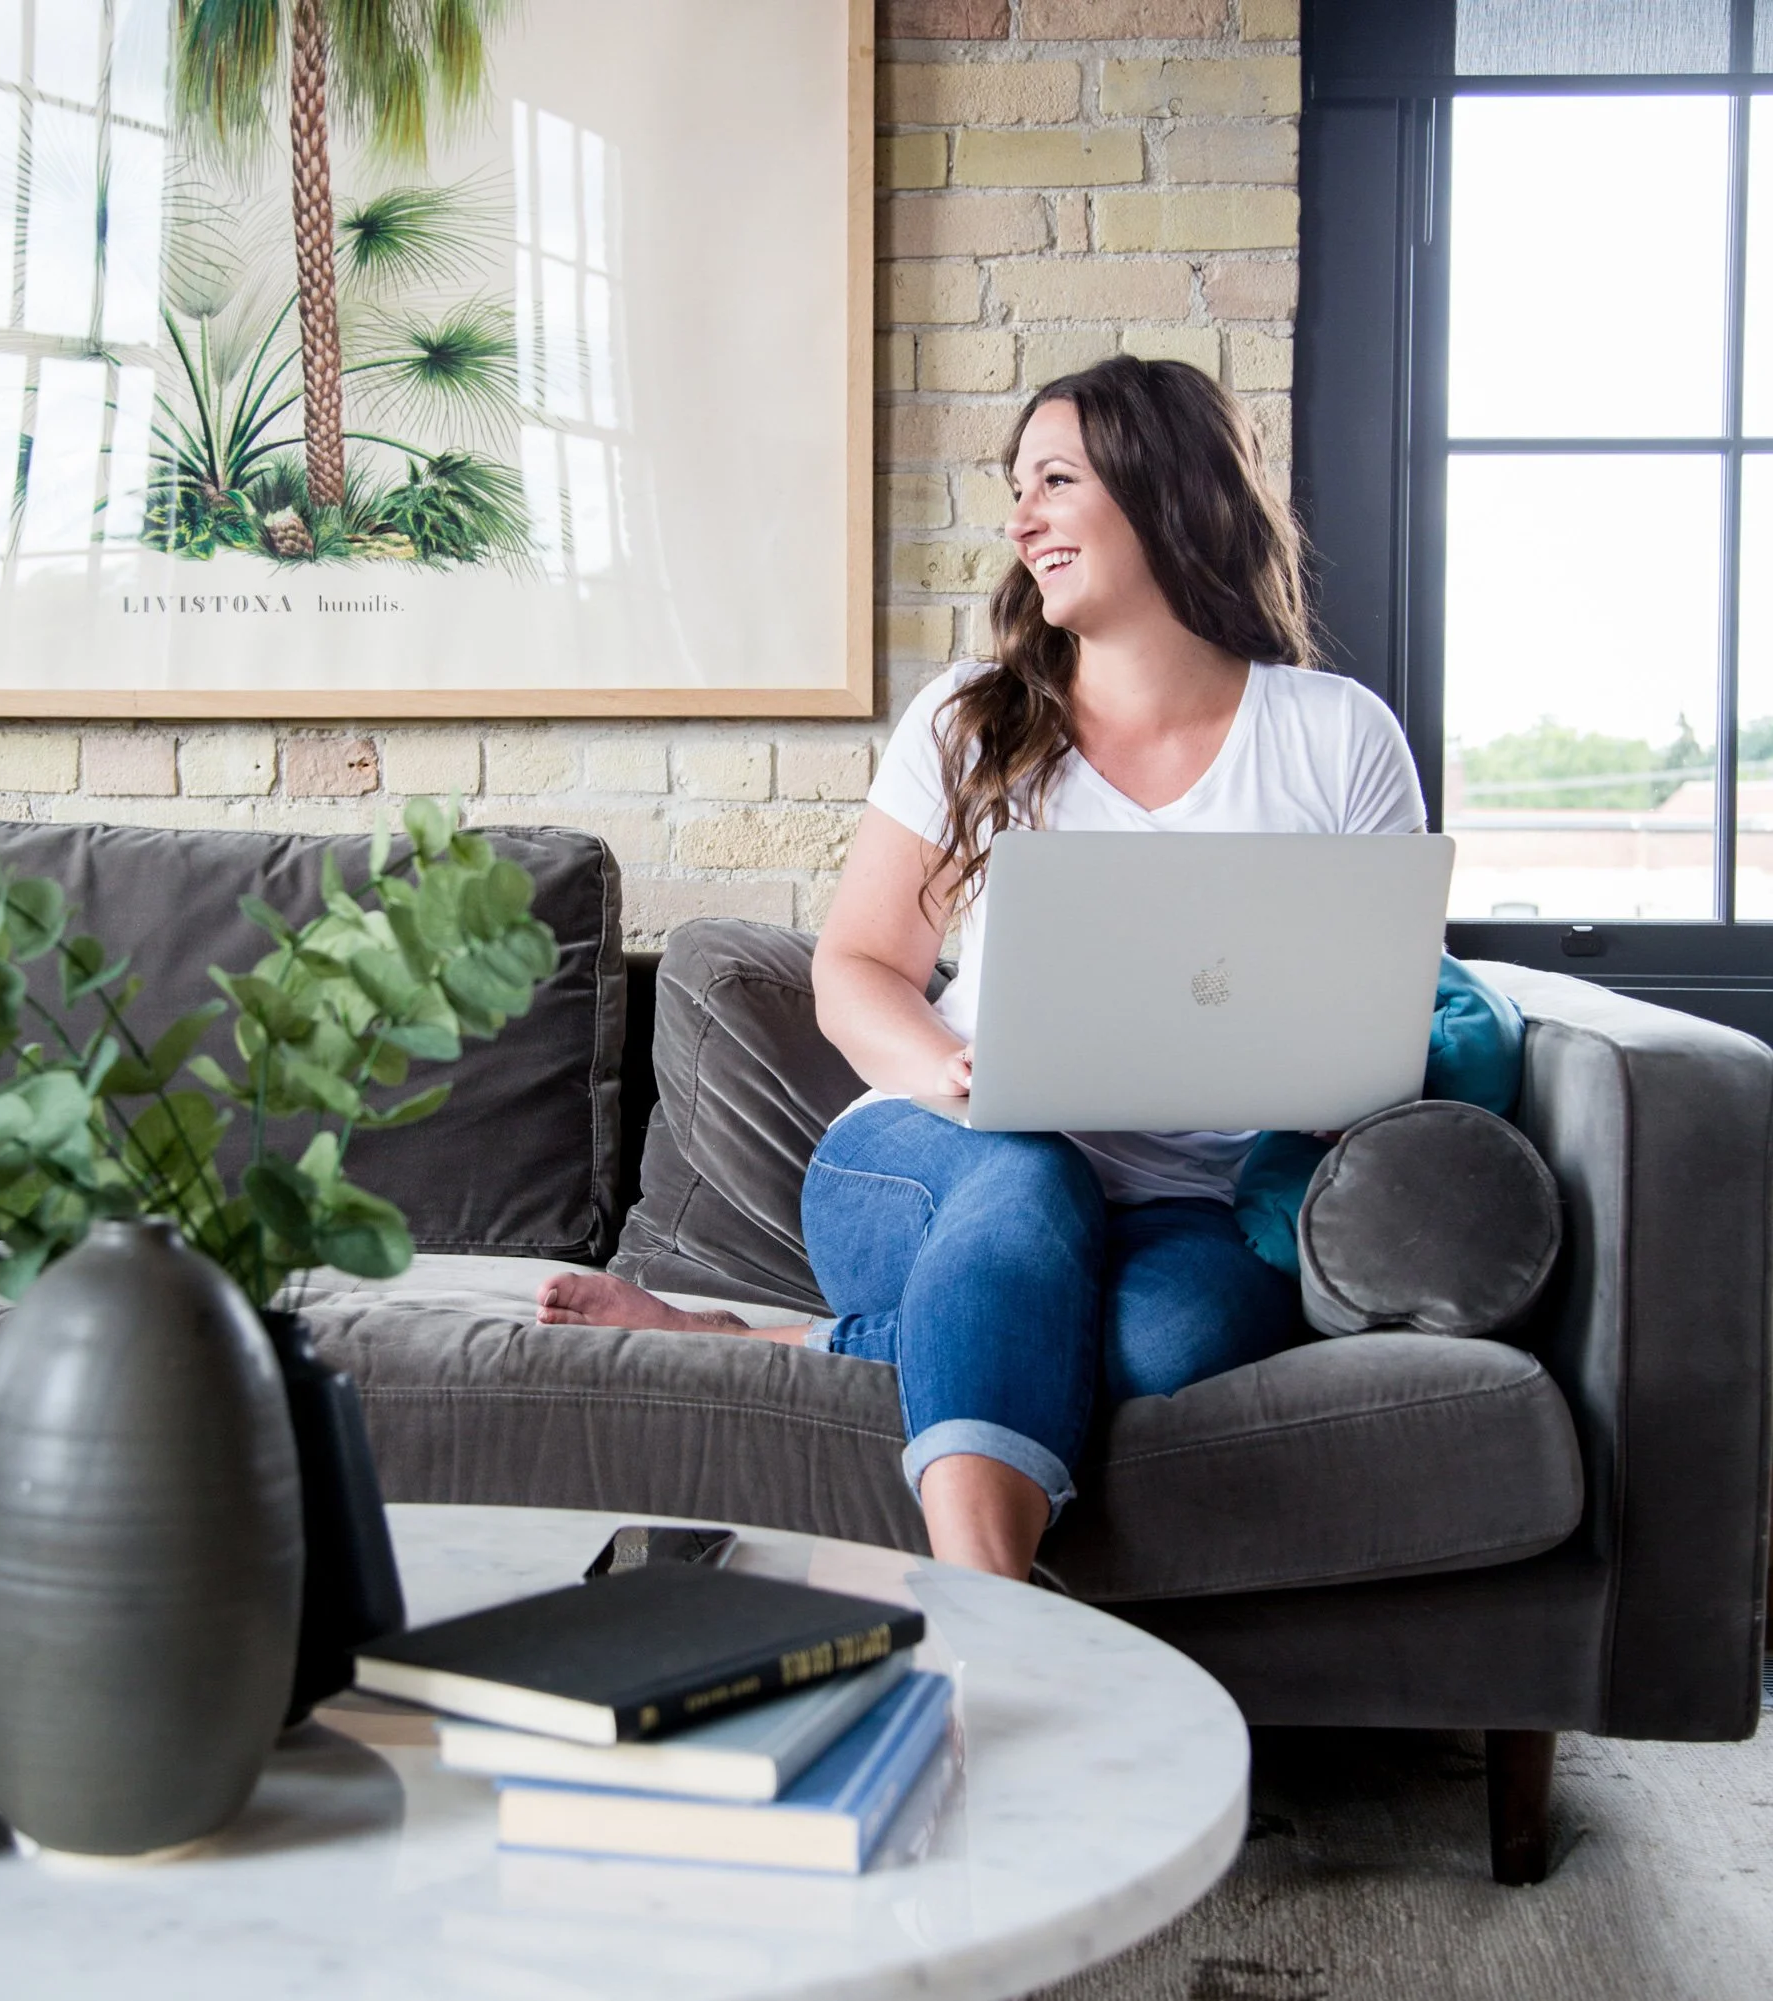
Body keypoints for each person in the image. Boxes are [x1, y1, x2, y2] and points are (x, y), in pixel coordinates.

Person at [537, 356, 1426, 1581]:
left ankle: (761, 1345)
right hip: (934, 1155)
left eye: (1054, 481)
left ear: (1167, 491)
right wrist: (949, 1070)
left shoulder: (1334, 738)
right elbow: (854, 966)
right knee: (1031, 1177)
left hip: (1192, 1204)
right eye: (1016, 487)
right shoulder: (970, 719)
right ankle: (987, 1607)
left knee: (1163, 1343)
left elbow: (1380, 1009)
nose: (1019, 521)